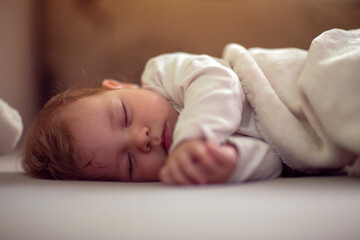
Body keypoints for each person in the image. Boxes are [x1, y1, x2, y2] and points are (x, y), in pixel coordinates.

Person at [23, 52, 283, 185]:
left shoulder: (161, 75)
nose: (141, 139)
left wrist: (192, 138)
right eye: (129, 164)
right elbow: (275, 158)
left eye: (124, 116)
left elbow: (218, 78)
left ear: (121, 86)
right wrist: (228, 164)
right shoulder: (187, 167)